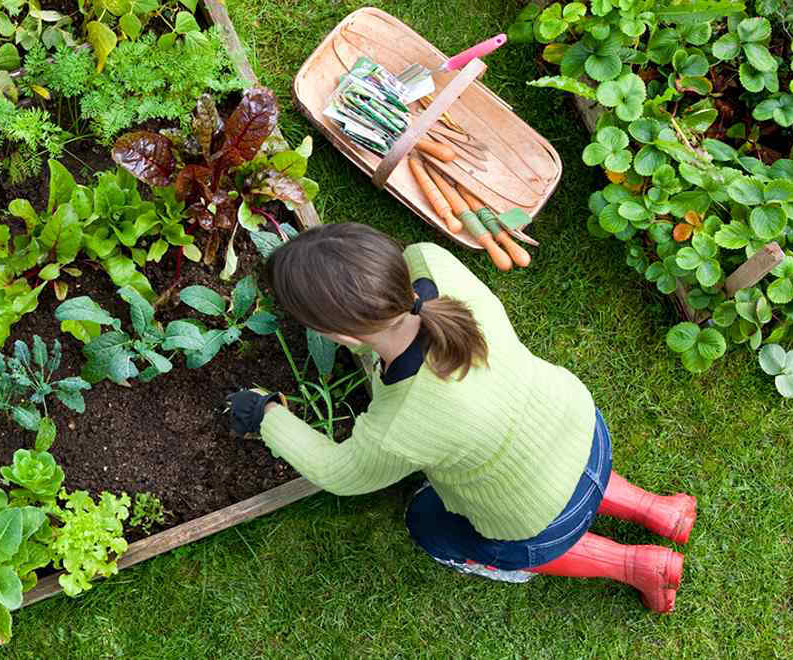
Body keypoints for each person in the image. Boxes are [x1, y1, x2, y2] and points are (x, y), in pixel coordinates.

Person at [228, 223, 695, 612]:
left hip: (536, 518)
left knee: (427, 524)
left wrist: (265, 413)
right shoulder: (433, 263)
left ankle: (636, 566)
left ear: (336, 334)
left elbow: (339, 472)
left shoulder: (401, 424)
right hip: (582, 428)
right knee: (551, 467)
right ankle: (659, 510)